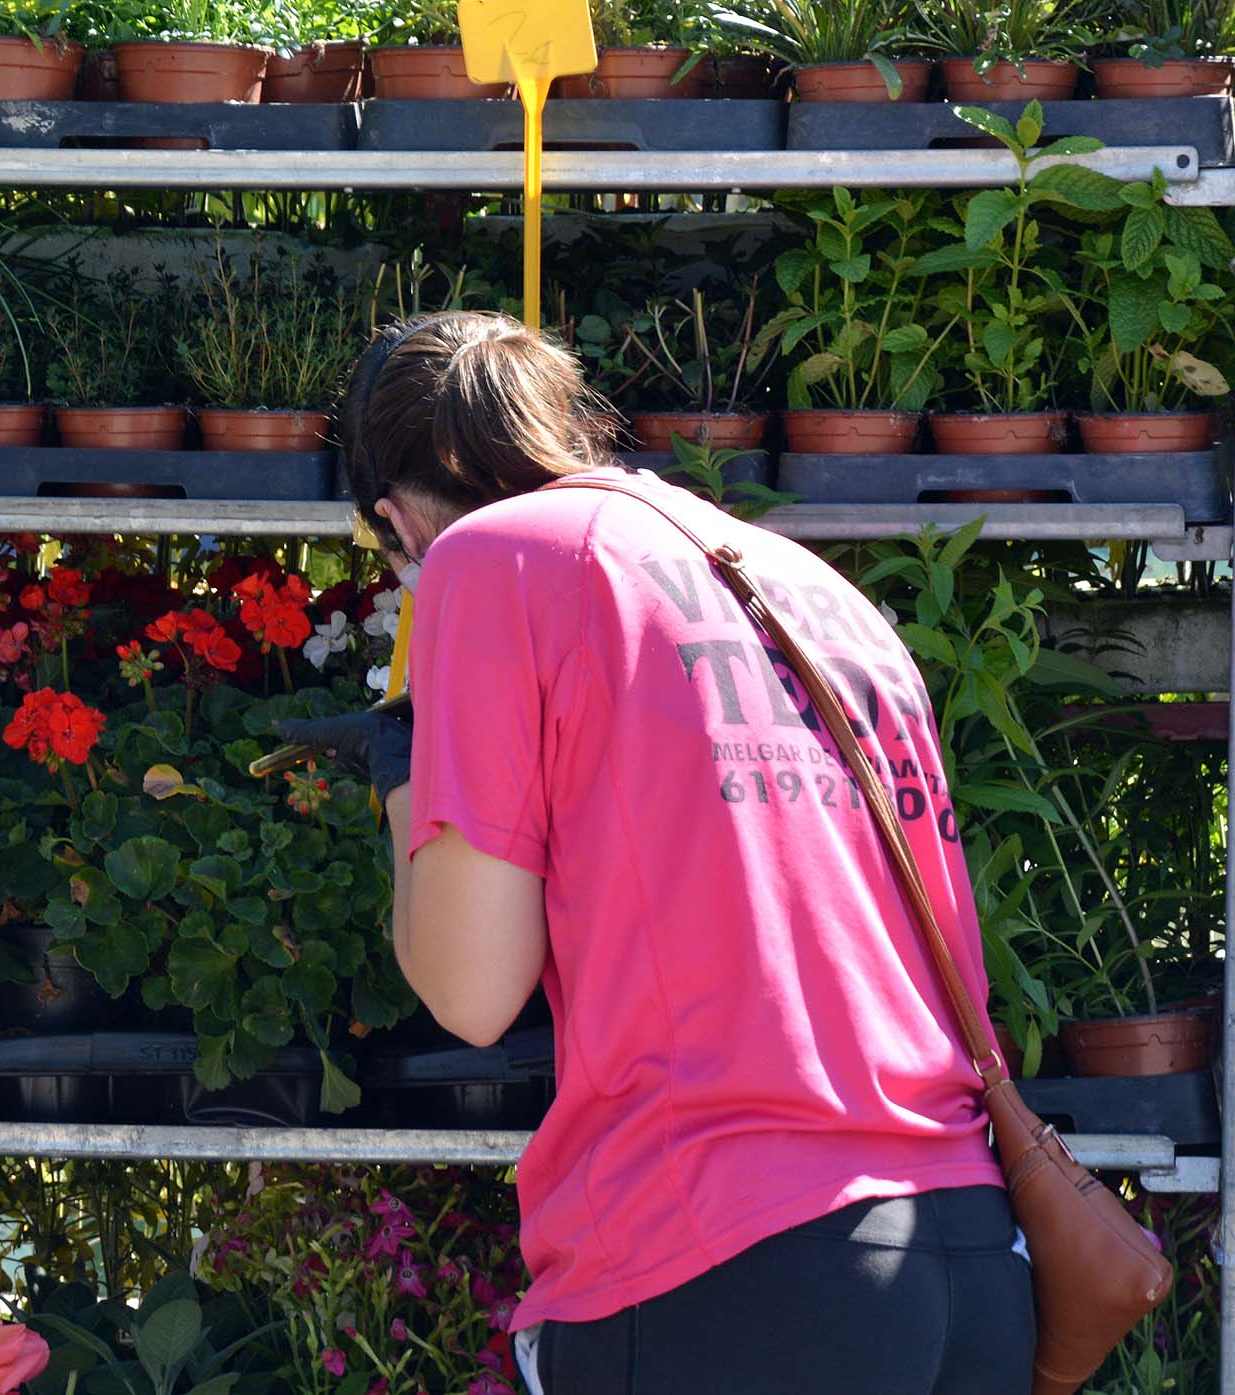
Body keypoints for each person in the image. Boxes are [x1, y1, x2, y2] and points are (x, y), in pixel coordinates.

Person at [275, 310, 1036, 1394]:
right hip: (965, 1252)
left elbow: (472, 990)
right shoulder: (809, 590)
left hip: (728, 1262)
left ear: (396, 522)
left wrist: (403, 780)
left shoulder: (488, 560)